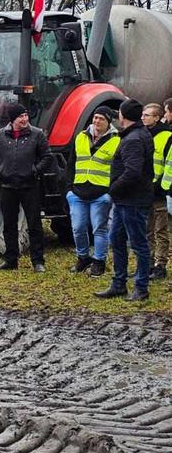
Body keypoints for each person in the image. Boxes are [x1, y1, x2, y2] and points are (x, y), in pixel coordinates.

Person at [96, 99, 153, 302]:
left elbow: (132, 172)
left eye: (119, 112)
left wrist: (112, 190)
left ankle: (141, 287)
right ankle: (119, 283)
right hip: (126, 200)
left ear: (123, 116)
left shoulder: (133, 139)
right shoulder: (135, 134)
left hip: (133, 201)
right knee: (116, 240)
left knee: (138, 244)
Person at [0, 102, 52, 272]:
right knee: (9, 225)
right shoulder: (0, 136)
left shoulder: (37, 134)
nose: (25, 119)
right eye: (21, 116)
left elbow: (47, 156)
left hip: (30, 187)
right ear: (12, 119)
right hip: (8, 187)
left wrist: (35, 171)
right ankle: (10, 259)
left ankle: (38, 262)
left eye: (26, 115)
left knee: (34, 225)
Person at [67, 106, 118, 277]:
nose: (96, 121)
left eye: (101, 119)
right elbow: (71, 164)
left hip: (101, 193)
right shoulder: (81, 137)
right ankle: (83, 257)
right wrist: (69, 189)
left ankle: (99, 261)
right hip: (78, 192)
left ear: (108, 121)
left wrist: (110, 192)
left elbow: (119, 169)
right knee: (78, 228)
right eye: (95, 118)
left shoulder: (116, 140)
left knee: (99, 229)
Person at [143, 103, 172, 282]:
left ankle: (160, 265)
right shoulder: (143, 135)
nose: (143, 118)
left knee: (160, 230)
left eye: (147, 115)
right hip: (144, 190)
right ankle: (148, 263)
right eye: (143, 115)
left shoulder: (167, 136)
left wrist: (162, 187)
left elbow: (169, 164)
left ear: (157, 117)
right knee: (147, 230)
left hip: (159, 191)